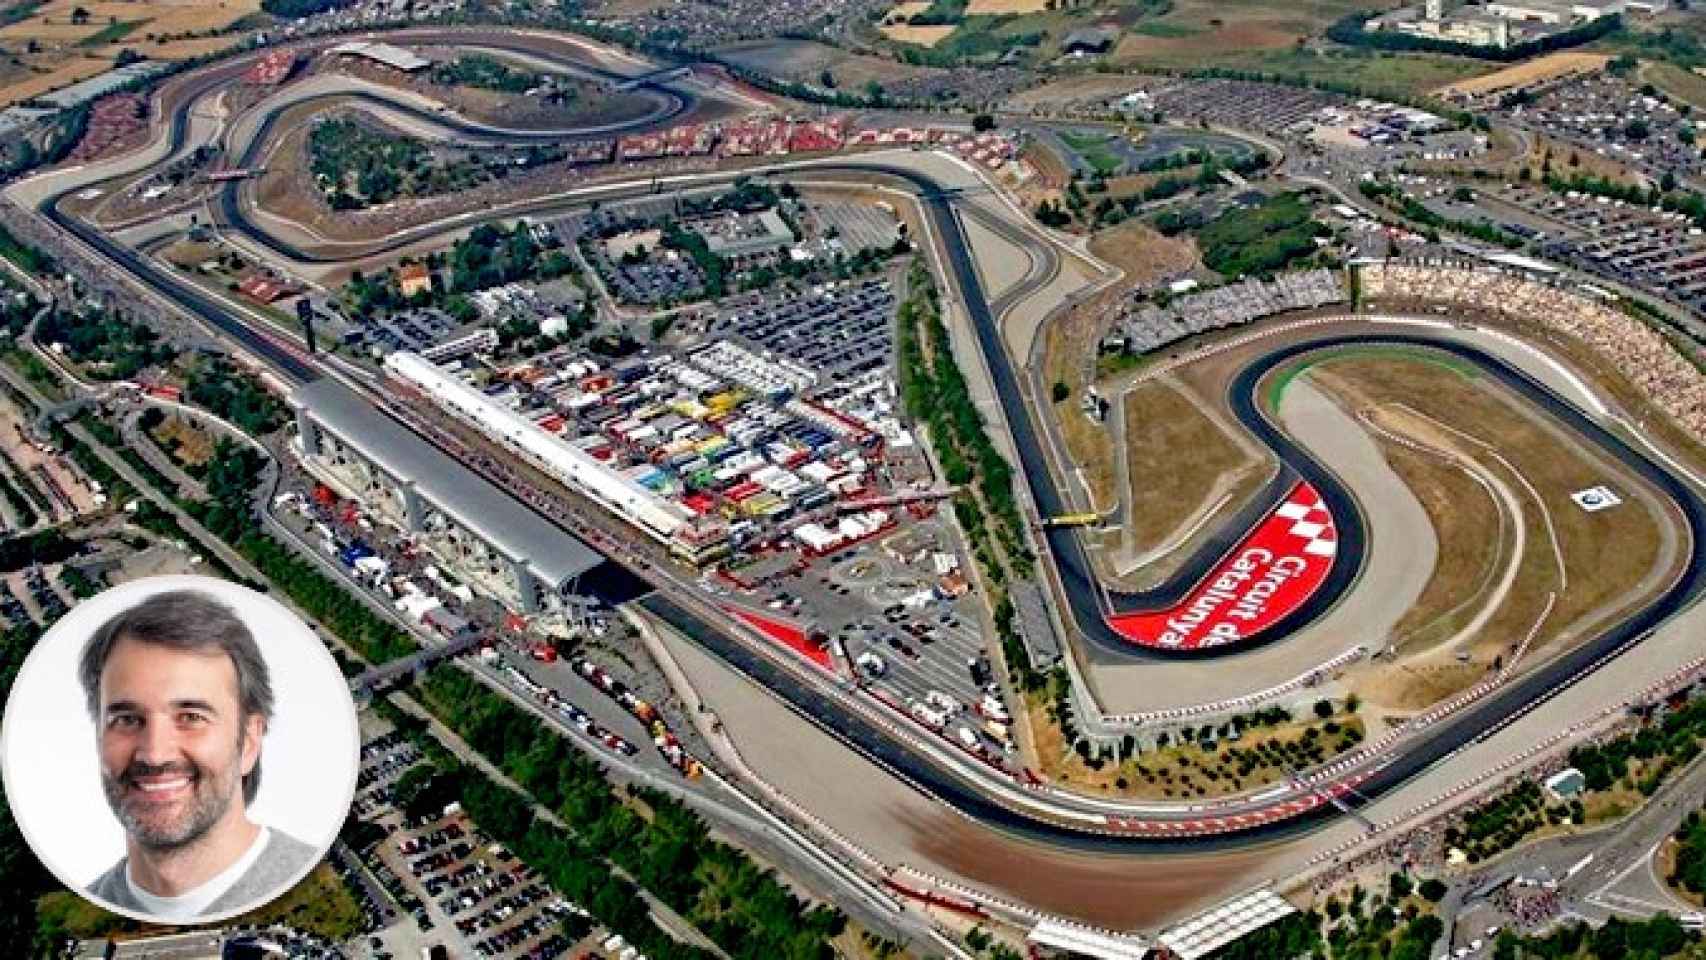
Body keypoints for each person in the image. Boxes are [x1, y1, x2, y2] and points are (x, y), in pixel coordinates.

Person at [77, 590, 317, 920]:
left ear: (248, 741)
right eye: (127, 720)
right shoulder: (84, 907)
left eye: (191, 718)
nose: (155, 754)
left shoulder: (315, 885)